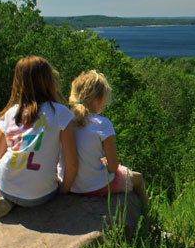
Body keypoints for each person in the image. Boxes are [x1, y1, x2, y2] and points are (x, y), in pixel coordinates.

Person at [0, 56, 77, 227]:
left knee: (11, 182)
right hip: (41, 192)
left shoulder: (11, 114)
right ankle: (8, 201)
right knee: (27, 185)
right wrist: (63, 190)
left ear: (19, 83)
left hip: (5, 182)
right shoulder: (61, 113)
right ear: (49, 81)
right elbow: (72, 164)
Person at [62, 70, 149, 212]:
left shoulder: (65, 121)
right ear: (100, 99)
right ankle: (148, 217)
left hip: (69, 185)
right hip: (96, 186)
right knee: (138, 178)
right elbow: (113, 167)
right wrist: (106, 164)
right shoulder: (102, 123)